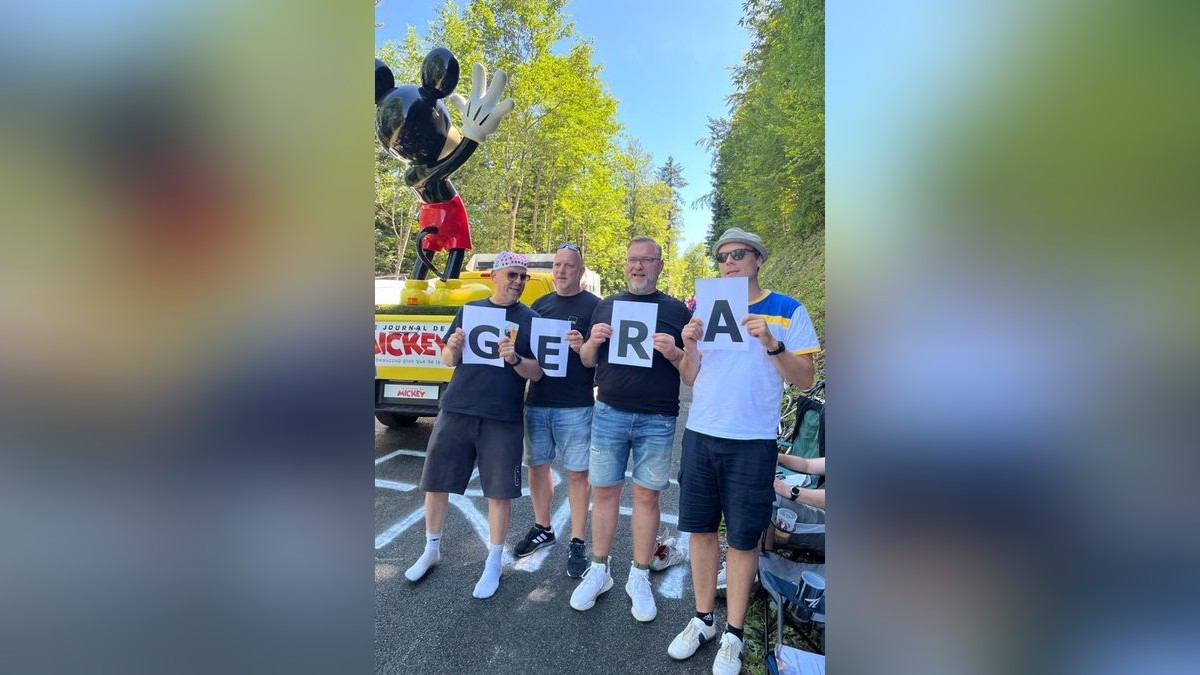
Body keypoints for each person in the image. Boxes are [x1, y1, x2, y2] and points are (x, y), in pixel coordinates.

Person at [667, 228, 820, 675]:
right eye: (721, 257)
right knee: (699, 531)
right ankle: (702, 620)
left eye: (738, 255)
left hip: (753, 439)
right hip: (701, 433)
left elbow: (806, 378)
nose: (729, 262)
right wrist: (687, 348)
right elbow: (691, 377)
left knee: (742, 537)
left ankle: (733, 634)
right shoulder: (706, 307)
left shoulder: (787, 309)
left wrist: (772, 344)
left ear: (758, 259)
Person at [403, 251, 544, 599]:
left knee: (499, 492)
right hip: (458, 407)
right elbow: (449, 359)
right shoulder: (470, 310)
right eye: (512, 275)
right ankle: (431, 548)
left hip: (502, 414)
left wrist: (514, 358)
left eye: (523, 277)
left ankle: (493, 562)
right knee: (436, 483)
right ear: (494, 276)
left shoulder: (531, 319)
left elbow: (537, 372)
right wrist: (451, 347)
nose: (518, 282)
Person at [568, 236, 691, 622]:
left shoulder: (676, 310)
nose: (638, 266)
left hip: (657, 417)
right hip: (609, 412)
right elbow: (588, 360)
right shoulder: (607, 305)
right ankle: (600, 569)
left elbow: (691, 370)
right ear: (626, 265)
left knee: (647, 498)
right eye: (632, 260)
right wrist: (592, 341)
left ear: (659, 265)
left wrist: (673, 351)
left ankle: (638, 575)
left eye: (646, 260)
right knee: (603, 492)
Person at [512, 243, 602, 578]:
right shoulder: (539, 305)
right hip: (537, 401)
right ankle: (542, 527)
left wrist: (584, 348)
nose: (562, 270)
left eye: (569, 266)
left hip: (576, 404)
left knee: (579, 474)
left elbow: (600, 359)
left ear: (581, 271)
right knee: (537, 468)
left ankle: (578, 540)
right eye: (558, 265)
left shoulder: (595, 307)